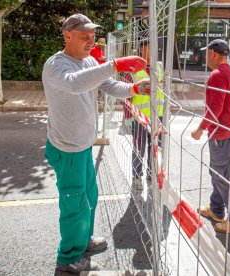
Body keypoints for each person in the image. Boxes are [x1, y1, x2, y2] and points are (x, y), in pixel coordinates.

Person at [42, 13, 150, 274]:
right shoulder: (57, 65)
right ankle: (68, 257)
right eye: (84, 36)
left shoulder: (89, 60)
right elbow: (76, 84)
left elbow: (109, 85)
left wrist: (135, 89)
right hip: (67, 148)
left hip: (83, 144)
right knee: (75, 203)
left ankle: (83, 241)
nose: (90, 41)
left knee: (89, 196)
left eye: (92, 36)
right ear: (67, 36)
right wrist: (116, 63)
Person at [191, 39, 230, 234]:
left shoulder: (217, 75)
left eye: (207, 53)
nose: (207, 57)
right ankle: (216, 209)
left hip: (222, 134)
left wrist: (200, 128)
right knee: (218, 173)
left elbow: (215, 108)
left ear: (214, 54)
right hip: (228, 132)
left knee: (222, 176)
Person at [131, 40, 164, 190]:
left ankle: (152, 171)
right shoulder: (134, 68)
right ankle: (137, 176)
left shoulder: (159, 66)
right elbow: (128, 92)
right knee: (139, 148)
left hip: (158, 115)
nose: (152, 50)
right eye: (149, 47)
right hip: (140, 116)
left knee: (155, 146)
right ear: (142, 49)